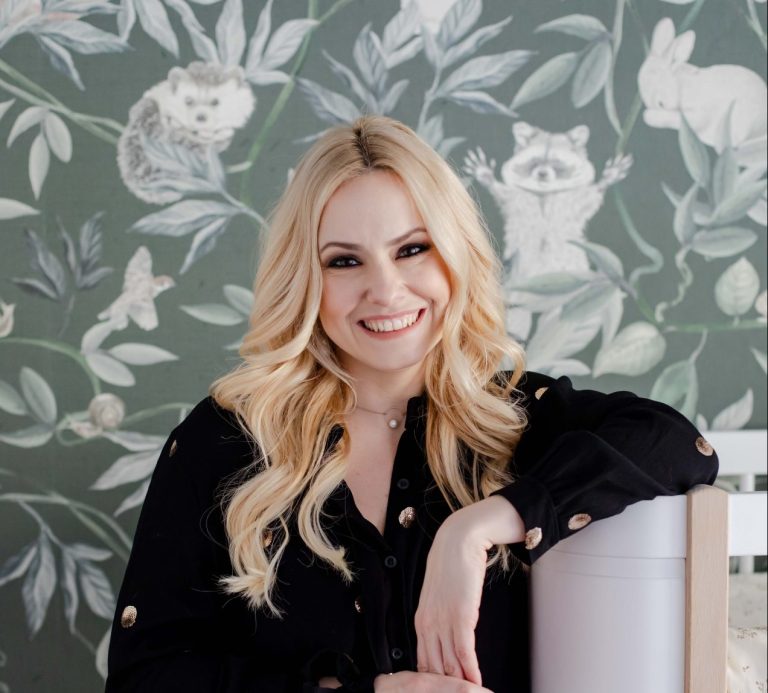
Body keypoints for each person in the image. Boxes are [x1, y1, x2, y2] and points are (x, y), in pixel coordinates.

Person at [105, 115, 718, 693]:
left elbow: (678, 445)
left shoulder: (514, 419)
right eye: (344, 261)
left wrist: (474, 528)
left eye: (412, 249)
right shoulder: (227, 443)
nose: (386, 290)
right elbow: (144, 677)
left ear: (453, 254)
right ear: (305, 279)